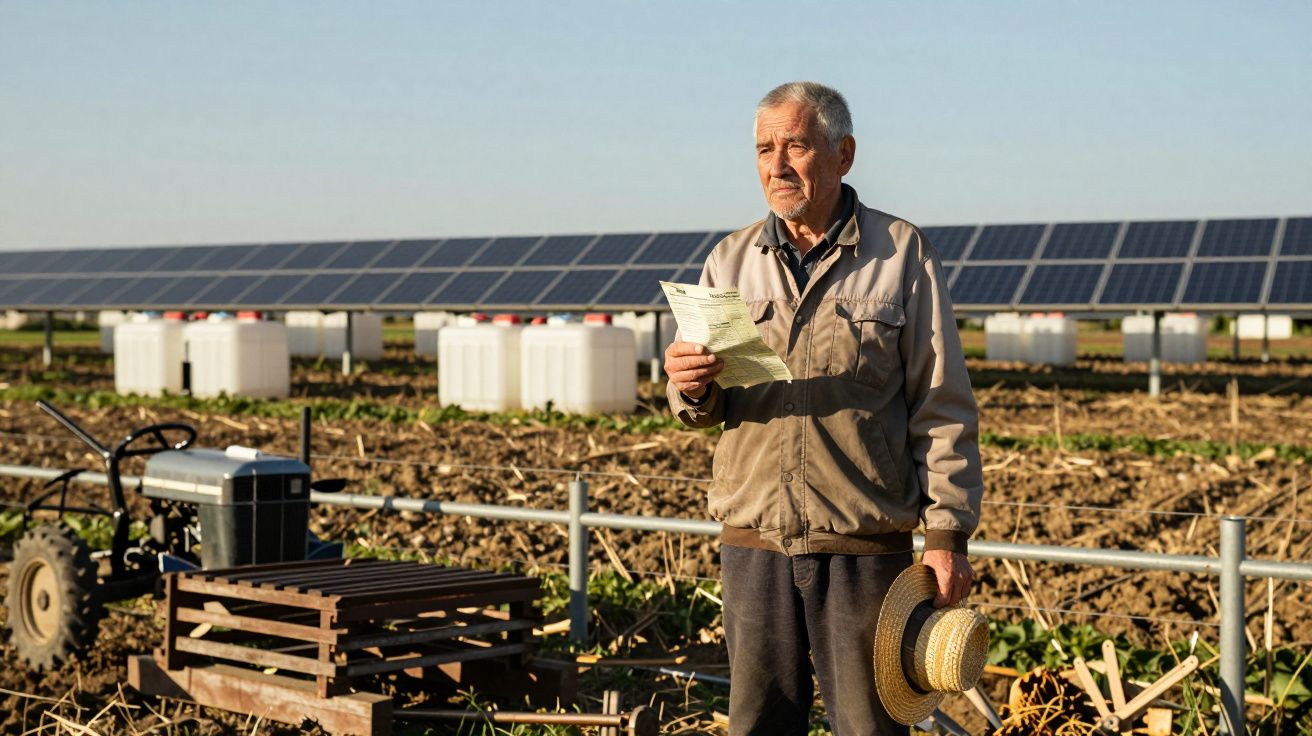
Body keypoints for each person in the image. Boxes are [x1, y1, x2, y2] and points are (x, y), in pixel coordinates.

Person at [664, 82, 984, 735]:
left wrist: (947, 536)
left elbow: (942, 403)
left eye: (796, 146)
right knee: (759, 723)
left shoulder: (901, 256)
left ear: (844, 154)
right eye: (763, 149)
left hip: (865, 547)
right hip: (755, 543)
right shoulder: (730, 260)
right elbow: (701, 407)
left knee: (870, 726)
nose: (777, 166)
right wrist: (687, 384)